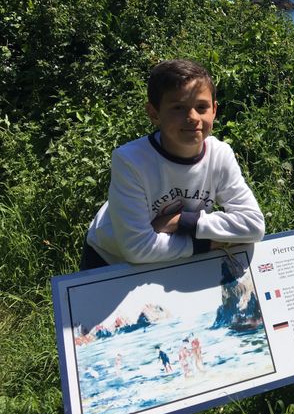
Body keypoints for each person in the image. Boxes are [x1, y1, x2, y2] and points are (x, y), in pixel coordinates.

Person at [81, 59, 265, 267]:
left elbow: (254, 225)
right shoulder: (131, 160)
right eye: (178, 108)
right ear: (153, 113)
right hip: (111, 258)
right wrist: (208, 243)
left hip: (170, 254)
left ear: (214, 110)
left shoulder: (220, 154)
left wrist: (181, 221)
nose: (193, 117)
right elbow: (137, 248)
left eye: (201, 107)